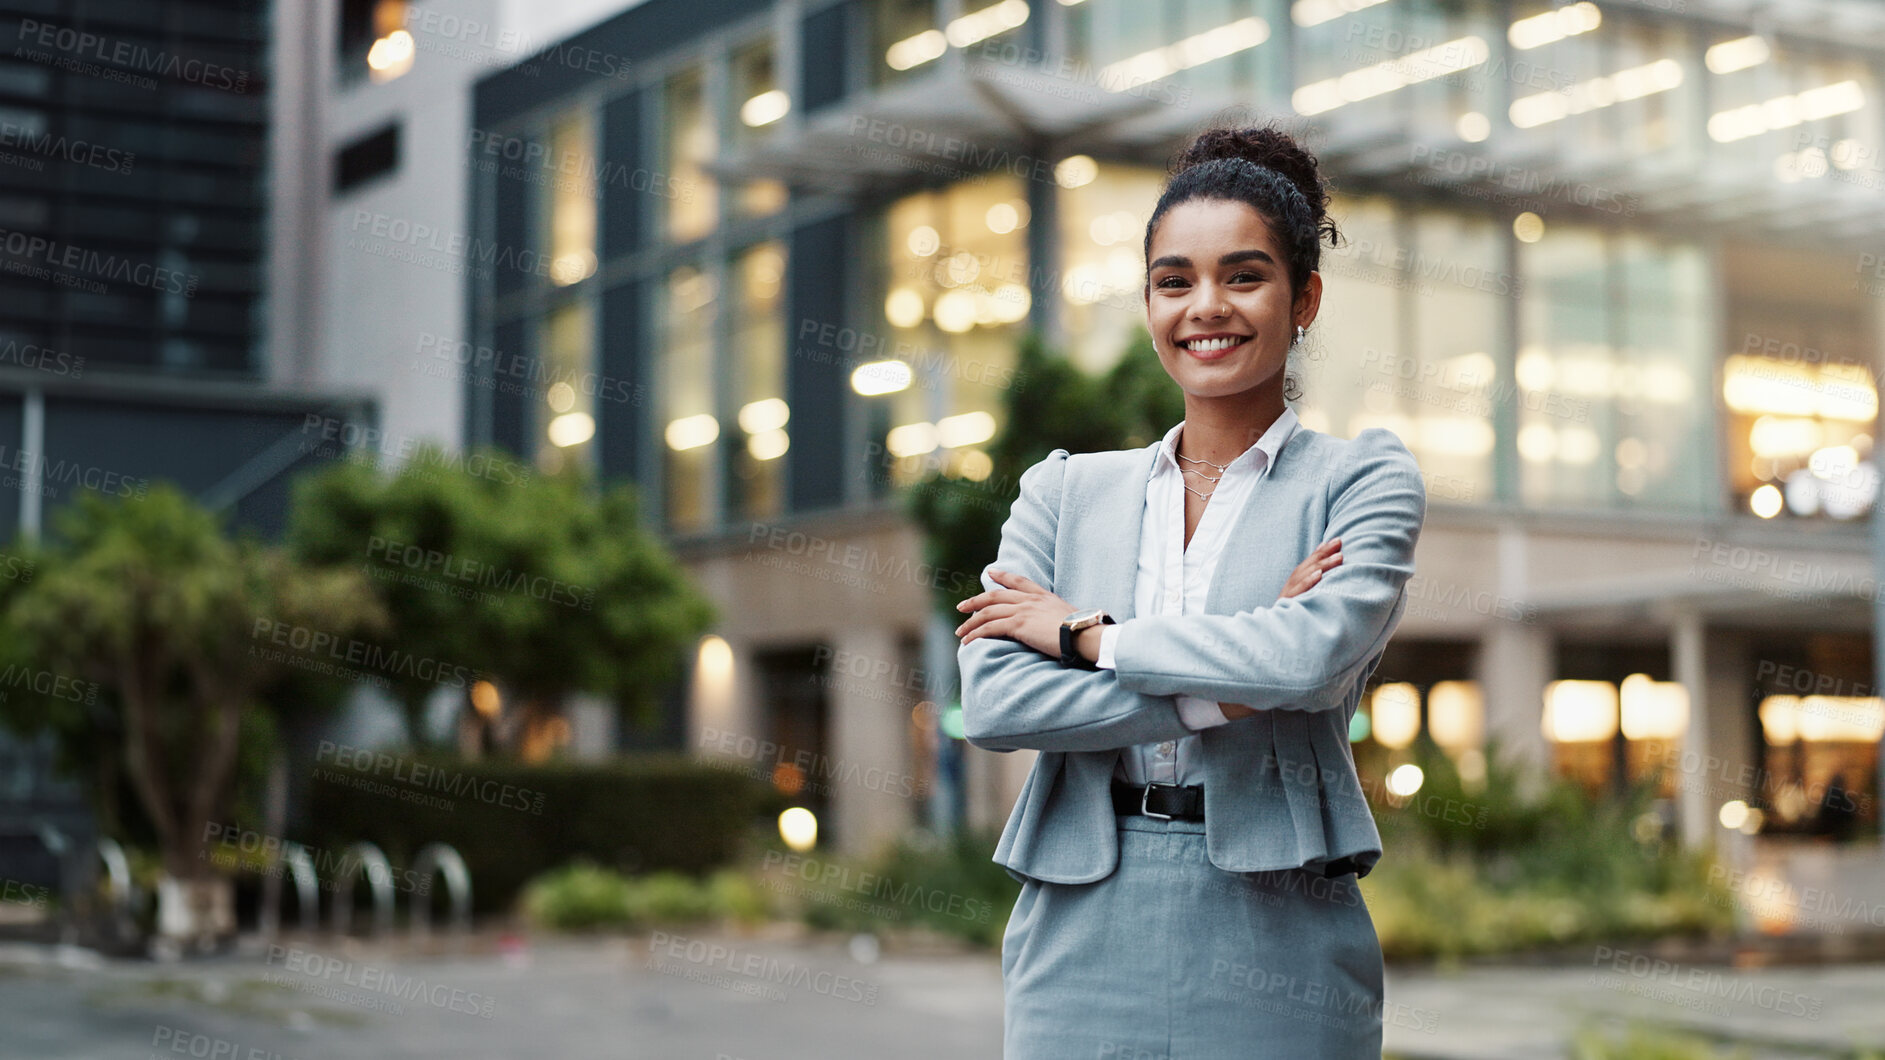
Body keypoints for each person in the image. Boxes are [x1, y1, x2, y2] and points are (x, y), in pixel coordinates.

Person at [954, 122, 1427, 1058]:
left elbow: (1309, 657)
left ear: (1305, 298)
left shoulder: (1360, 480)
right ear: (1148, 302)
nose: (1205, 307)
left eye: (1243, 276)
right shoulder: (1061, 489)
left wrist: (1087, 636)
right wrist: (1238, 681)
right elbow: (999, 699)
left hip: (1279, 919)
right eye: (1174, 281)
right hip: (1079, 919)